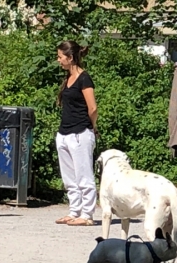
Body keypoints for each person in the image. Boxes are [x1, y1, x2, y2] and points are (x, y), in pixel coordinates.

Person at [55, 40, 98, 226]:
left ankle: (87, 214)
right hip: (64, 133)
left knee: (84, 175)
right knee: (69, 177)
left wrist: (93, 127)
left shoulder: (84, 78)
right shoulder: (68, 79)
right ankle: (74, 211)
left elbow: (93, 107)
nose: (58, 60)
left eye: (60, 57)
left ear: (70, 58)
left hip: (80, 133)